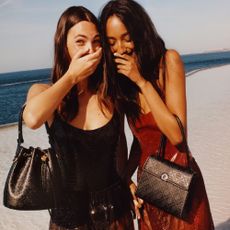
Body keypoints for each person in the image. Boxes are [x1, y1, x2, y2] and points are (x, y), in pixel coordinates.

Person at [99, 0, 214, 229]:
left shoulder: (168, 61)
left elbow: (177, 135)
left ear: (140, 32)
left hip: (180, 183)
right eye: (111, 42)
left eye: (126, 38)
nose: (120, 49)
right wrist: (125, 179)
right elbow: (139, 142)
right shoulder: (122, 83)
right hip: (149, 187)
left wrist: (142, 81)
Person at [23, 6, 134, 230]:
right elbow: (33, 118)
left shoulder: (110, 93)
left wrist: (126, 179)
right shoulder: (44, 91)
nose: (90, 49)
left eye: (96, 41)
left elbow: (120, 144)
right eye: (80, 42)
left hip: (115, 214)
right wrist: (71, 77)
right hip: (69, 220)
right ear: (64, 47)